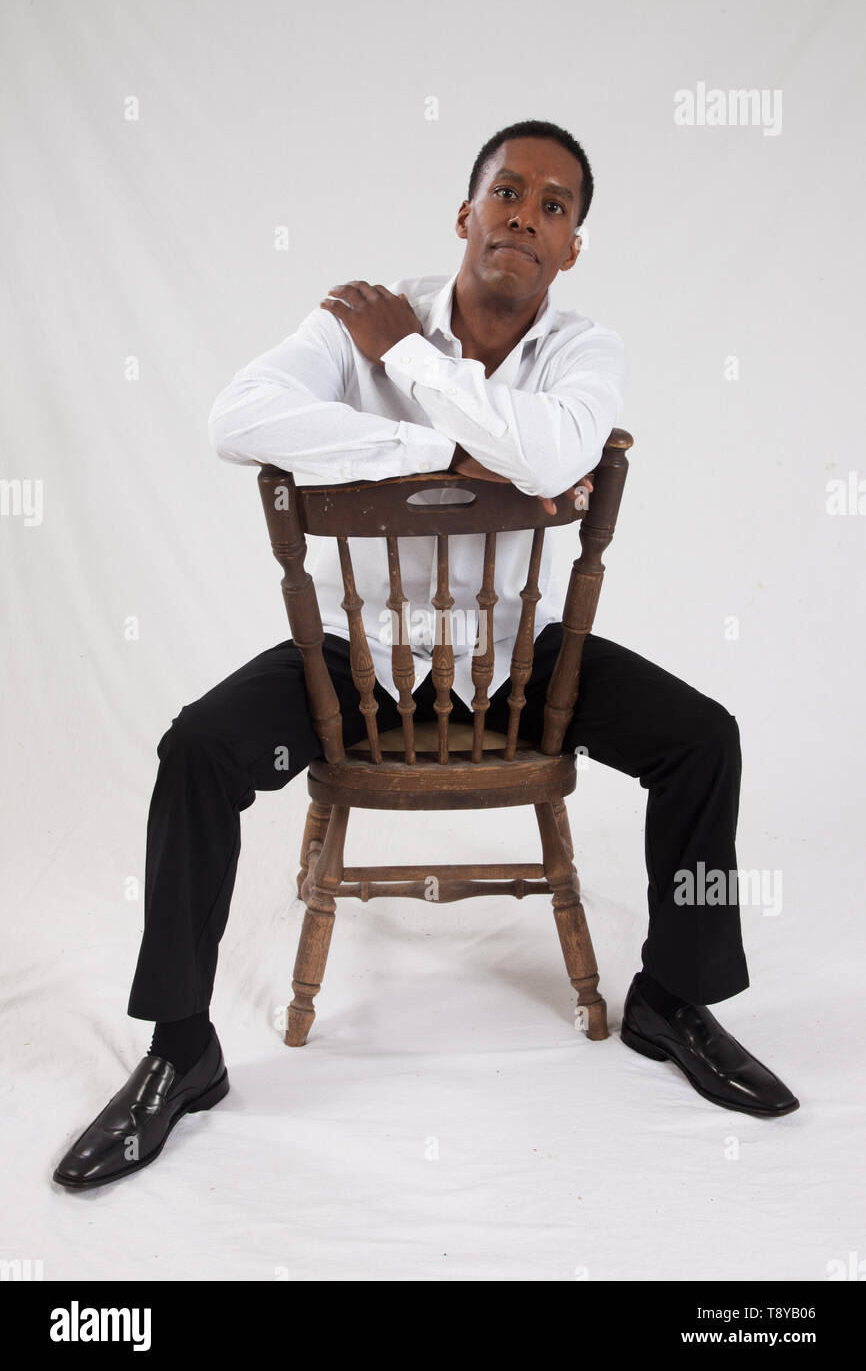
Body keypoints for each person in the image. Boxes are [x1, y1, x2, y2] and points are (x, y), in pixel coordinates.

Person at [53, 119, 798, 1191]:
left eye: (554, 206)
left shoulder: (578, 349)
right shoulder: (357, 309)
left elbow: (549, 451)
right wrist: (436, 448)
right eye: (507, 191)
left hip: (513, 661)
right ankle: (181, 1047)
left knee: (702, 741)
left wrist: (405, 364)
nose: (525, 216)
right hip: (362, 659)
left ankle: (672, 1000)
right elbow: (238, 417)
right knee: (196, 751)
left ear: (570, 245)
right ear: (465, 213)